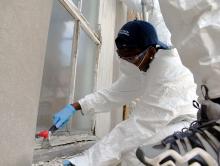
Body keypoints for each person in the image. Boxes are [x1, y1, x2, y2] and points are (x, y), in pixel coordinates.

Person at [53, 20, 198, 166]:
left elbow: (138, 128)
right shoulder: (144, 63)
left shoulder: (167, 77)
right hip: (165, 123)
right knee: (131, 153)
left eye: (130, 58)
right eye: (121, 56)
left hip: (186, 126)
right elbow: (115, 93)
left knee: (136, 155)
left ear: (151, 51)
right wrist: (76, 106)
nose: (127, 63)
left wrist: (85, 161)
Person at [128, 0, 220, 165]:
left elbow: (142, 122)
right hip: (196, 120)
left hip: (184, 120)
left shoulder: (165, 64)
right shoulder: (152, 65)